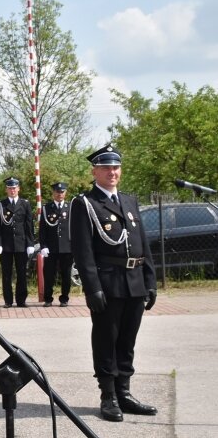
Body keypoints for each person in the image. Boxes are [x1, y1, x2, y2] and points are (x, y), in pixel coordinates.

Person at [71, 144, 157, 422]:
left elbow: (143, 244)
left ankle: (125, 393)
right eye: (106, 167)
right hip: (108, 282)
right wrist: (92, 287)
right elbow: (83, 252)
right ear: (95, 171)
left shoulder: (129, 201)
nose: (112, 172)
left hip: (134, 281)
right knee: (106, 339)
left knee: (128, 340)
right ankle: (108, 395)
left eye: (116, 167)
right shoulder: (85, 203)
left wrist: (150, 280)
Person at [0, 177, 35, 308]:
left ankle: (21, 300)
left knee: (22, 273)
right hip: (6, 245)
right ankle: (8, 301)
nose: (12, 190)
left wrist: (30, 244)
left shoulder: (25, 203)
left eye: (14, 188)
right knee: (7, 274)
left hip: (21, 244)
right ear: (6, 189)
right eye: (10, 188)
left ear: (18, 189)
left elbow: (29, 225)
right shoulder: (1, 205)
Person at [38, 182, 73, 307]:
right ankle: (48, 299)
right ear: (53, 193)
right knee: (49, 275)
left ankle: (64, 298)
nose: (60, 194)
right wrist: (43, 246)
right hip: (51, 248)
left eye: (62, 192)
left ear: (65, 193)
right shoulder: (47, 208)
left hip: (66, 248)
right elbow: (42, 230)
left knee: (66, 275)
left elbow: (74, 229)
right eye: (57, 192)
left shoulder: (70, 208)